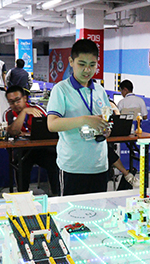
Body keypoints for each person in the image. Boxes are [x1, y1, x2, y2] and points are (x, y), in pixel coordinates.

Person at [47, 39, 111, 196]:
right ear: (71, 62)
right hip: (73, 167)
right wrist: (85, 120)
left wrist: (105, 129)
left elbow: (105, 119)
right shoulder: (61, 89)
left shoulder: (100, 90)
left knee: (99, 209)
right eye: (82, 64)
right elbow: (52, 124)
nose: (87, 70)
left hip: (99, 166)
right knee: (71, 211)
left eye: (92, 65)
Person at [5, 85, 60, 196]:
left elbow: (49, 129)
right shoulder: (8, 113)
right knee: (21, 166)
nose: (15, 104)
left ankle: (57, 195)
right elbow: (13, 131)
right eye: (11, 102)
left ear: (25, 98)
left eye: (17, 100)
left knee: (54, 163)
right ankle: (22, 196)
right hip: (22, 150)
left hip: (42, 149)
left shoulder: (38, 109)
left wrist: (26, 134)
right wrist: (24, 112)